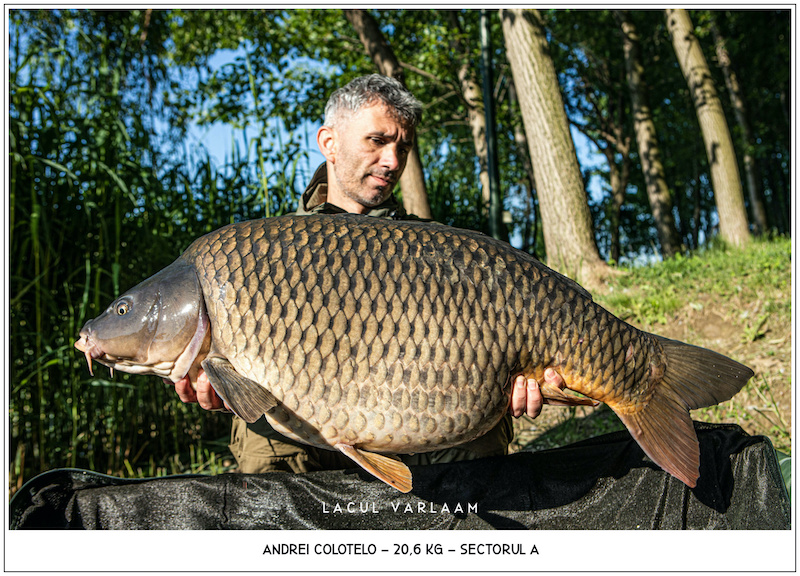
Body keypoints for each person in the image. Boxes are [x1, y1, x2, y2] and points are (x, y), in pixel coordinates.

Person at [167, 74, 566, 474]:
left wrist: (508, 383)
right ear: (329, 143)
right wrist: (219, 385)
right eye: (377, 141)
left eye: (403, 146)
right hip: (296, 426)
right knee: (260, 439)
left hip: (409, 420)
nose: (393, 161)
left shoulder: (430, 252)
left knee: (482, 432)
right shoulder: (269, 250)